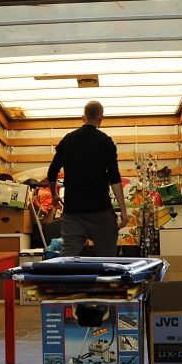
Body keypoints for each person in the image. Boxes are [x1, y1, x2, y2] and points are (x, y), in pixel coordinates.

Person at [47, 100, 129, 257]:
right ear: (101, 118)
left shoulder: (68, 140)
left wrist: (54, 195)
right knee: (107, 261)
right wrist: (124, 211)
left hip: (73, 214)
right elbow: (114, 178)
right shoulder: (105, 142)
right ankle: (104, 281)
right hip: (101, 213)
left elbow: (52, 172)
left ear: (83, 117)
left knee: (68, 259)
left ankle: (65, 282)